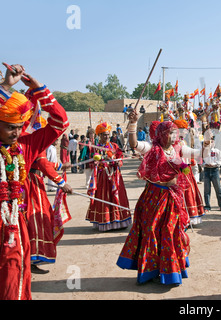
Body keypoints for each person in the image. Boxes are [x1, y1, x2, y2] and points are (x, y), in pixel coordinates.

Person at [0, 64, 69, 300]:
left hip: (12, 224)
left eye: (19, 127)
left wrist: (39, 88)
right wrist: (6, 85)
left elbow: (60, 122)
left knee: (14, 274)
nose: (17, 132)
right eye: (10, 127)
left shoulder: (25, 147)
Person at [117, 112, 192, 285]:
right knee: (151, 230)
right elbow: (134, 144)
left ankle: (171, 272)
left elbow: (191, 156)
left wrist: (206, 146)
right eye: (169, 133)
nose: (173, 136)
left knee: (169, 231)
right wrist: (133, 124)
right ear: (161, 134)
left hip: (172, 198)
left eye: (174, 133)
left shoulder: (177, 148)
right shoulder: (152, 148)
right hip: (153, 197)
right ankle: (150, 271)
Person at [85, 122, 131, 231]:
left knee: (117, 197)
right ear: (99, 135)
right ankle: (105, 221)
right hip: (102, 176)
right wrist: (96, 162)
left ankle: (120, 221)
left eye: (107, 134)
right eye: (103, 134)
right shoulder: (95, 148)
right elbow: (91, 162)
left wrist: (117, 162)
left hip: (115, 176)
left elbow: (120, 159)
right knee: (103, 197)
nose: (106, 136)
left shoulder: (114, 146)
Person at [173, 119, 205, 225]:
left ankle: (189, 216)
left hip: (186, 170)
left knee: (190, 193)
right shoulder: (174, 143)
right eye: (183, 129)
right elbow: (176, 157)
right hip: (178, 172)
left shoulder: (182, 141)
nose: (186, 131)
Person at [202, 134, 221, 212]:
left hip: (215, 170)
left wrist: (215, 164)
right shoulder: (204, 151)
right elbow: (200, 160)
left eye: (212, 141)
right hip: (206, 170)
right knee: (206, 190)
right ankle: (207, 206)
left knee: (218, 188)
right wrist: (204, 164)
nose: (210, 142)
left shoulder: (217, 151)